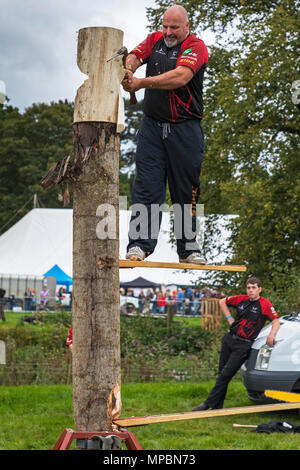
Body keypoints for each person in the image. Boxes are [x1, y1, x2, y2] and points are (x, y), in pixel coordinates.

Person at [122, 5, 208, 265]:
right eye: (165, 26)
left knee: (185, 191)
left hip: (186, 128)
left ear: (186, 26)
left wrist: (141, 83)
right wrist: (129, 69)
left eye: (174, 27)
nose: (168, 32)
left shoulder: (196, 46)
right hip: (152, 127)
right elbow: (136, 54)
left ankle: (189, 249)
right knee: (146, 188)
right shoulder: (154, 40)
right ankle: (139, 246)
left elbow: (181, 77)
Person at [192, 277, 281, 411]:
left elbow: (276, 321)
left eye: (254, 288)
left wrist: (271, 335)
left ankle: (207, 404)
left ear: (259, 289)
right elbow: (222, 301)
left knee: (225, 375)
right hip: (229, 339)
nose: (251, 290)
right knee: (221, 374)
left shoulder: (265, 304)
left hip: (243, 345)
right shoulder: (241, 299)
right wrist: (229, 318)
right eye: (249, 288)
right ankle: (217, 407)